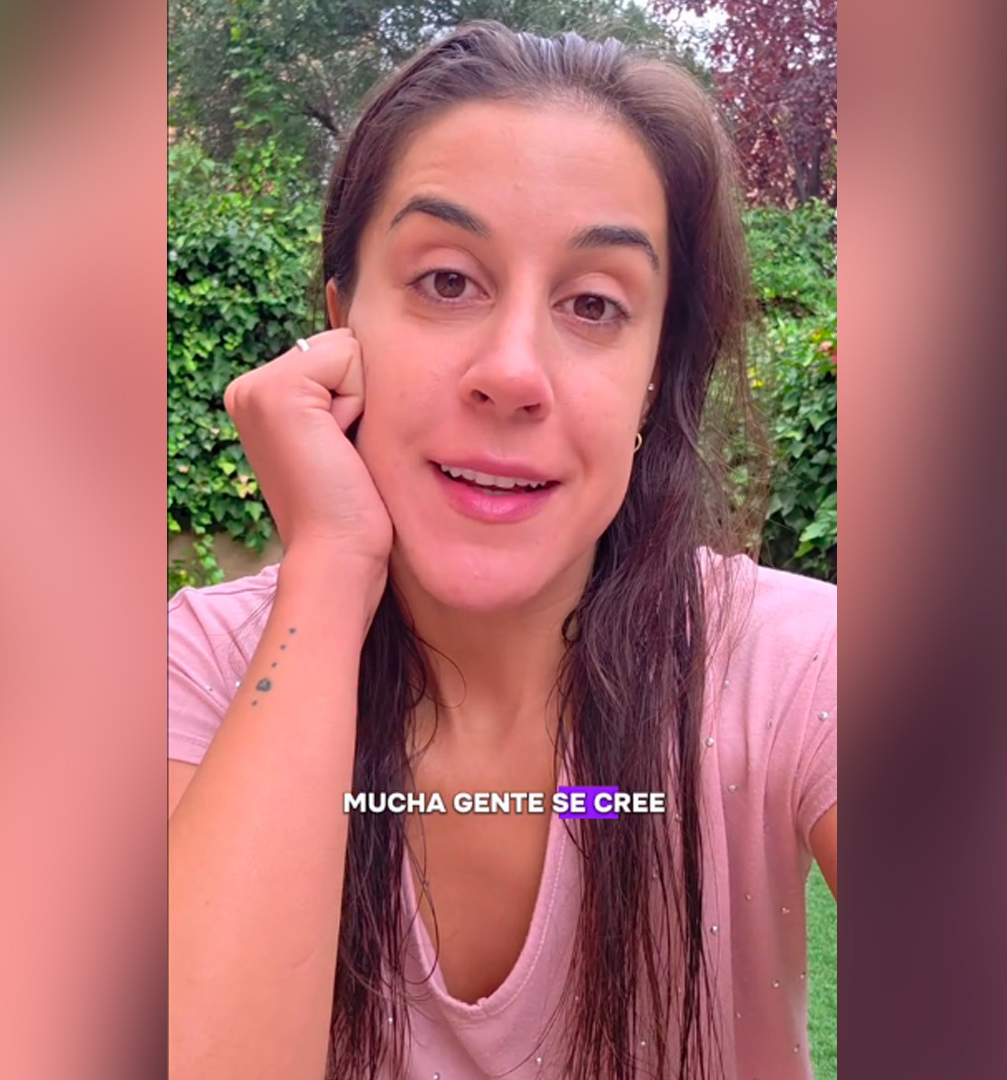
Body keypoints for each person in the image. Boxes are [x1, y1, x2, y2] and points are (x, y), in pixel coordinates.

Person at [166, 21, 838, 1080]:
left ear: (653, 378)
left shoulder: (797, 667)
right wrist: (332, 567)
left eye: (594, 304)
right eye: (446, 281)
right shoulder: (201, 674)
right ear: (339, 328)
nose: (514, 371)